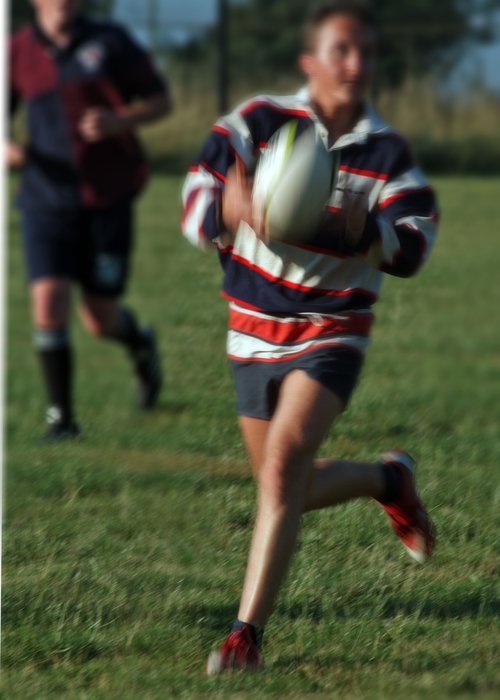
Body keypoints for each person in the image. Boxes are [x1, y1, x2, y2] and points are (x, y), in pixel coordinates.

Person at [182, 0, 438, 673]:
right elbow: (191, 198)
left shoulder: (386, 153)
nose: (354, 65)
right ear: (310, 61)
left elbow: (413, 248)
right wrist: (225, 210)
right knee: (282, 484)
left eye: (365, 53)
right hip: (251, 330)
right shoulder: (257, 123)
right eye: (340, 50)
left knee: (281, 469)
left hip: (333, 329)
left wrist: (365, 234)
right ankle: (389, 479)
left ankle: (245, 637)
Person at [8, 0, 172, 441]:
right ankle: (61, 420)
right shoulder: (15, 50)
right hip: (45, 196)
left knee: (98, 318)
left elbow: (161, 100)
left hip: (107, 196)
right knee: (48, 298)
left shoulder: (110, 41)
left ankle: (139, 343)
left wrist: (120, 119)